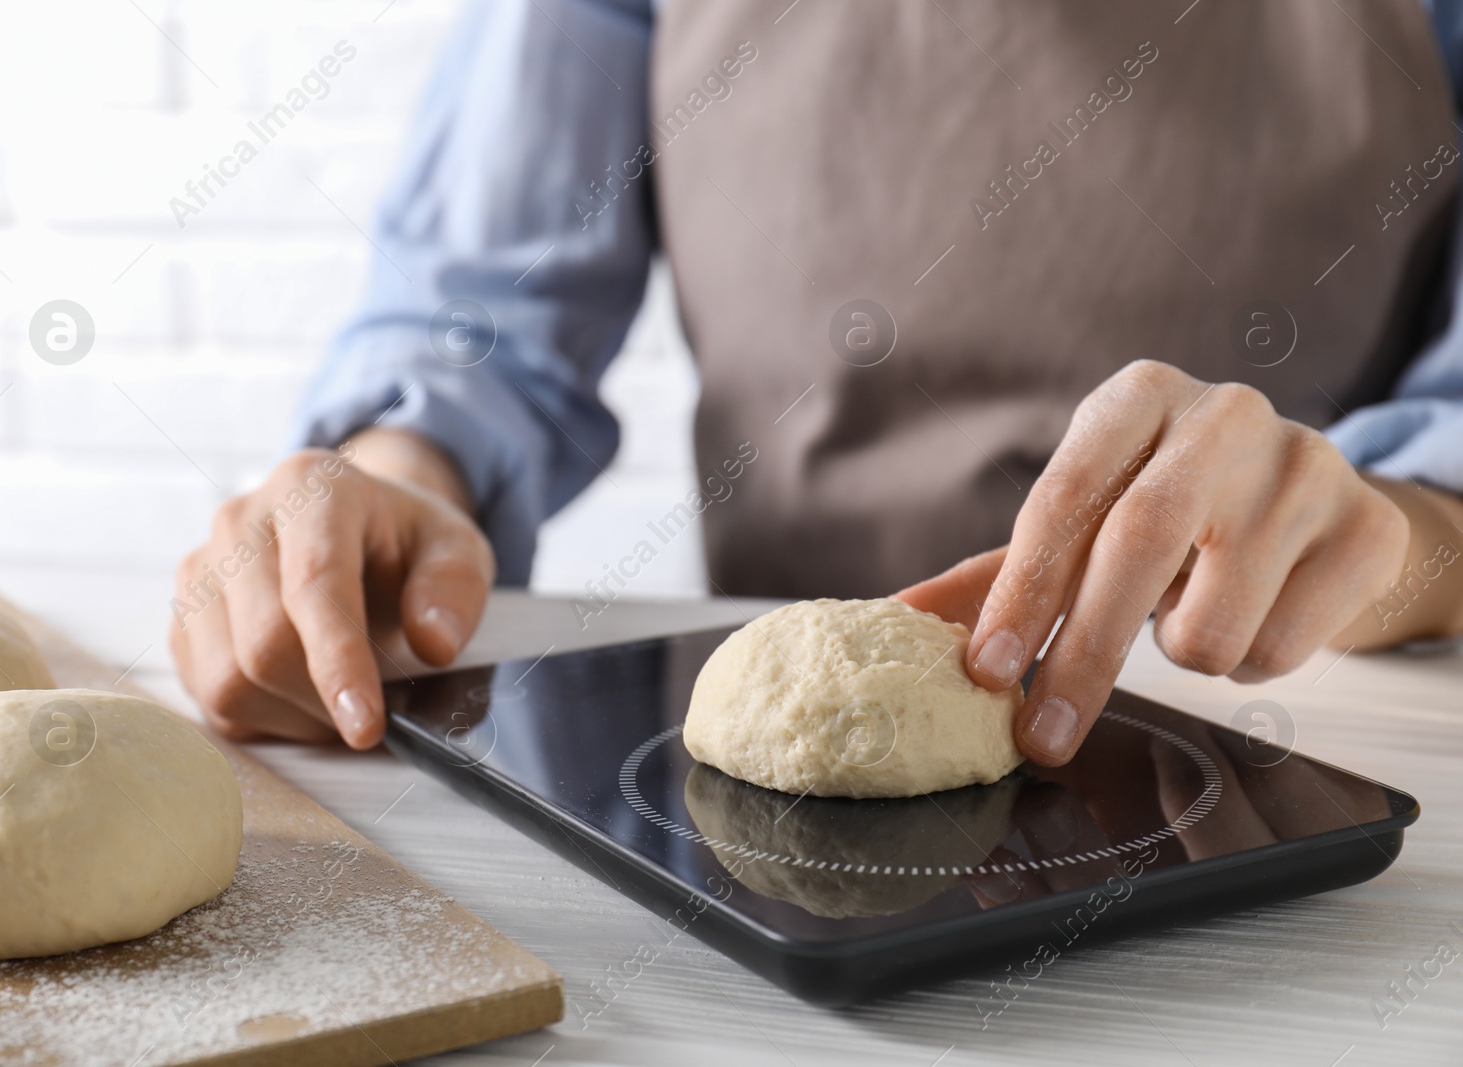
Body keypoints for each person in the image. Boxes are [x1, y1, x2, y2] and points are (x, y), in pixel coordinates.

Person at [172, 0, 1463, 768]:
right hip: (757, 768)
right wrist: (396, 480)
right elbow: (485, 315)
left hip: (1307, 722)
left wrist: (1385, 540)